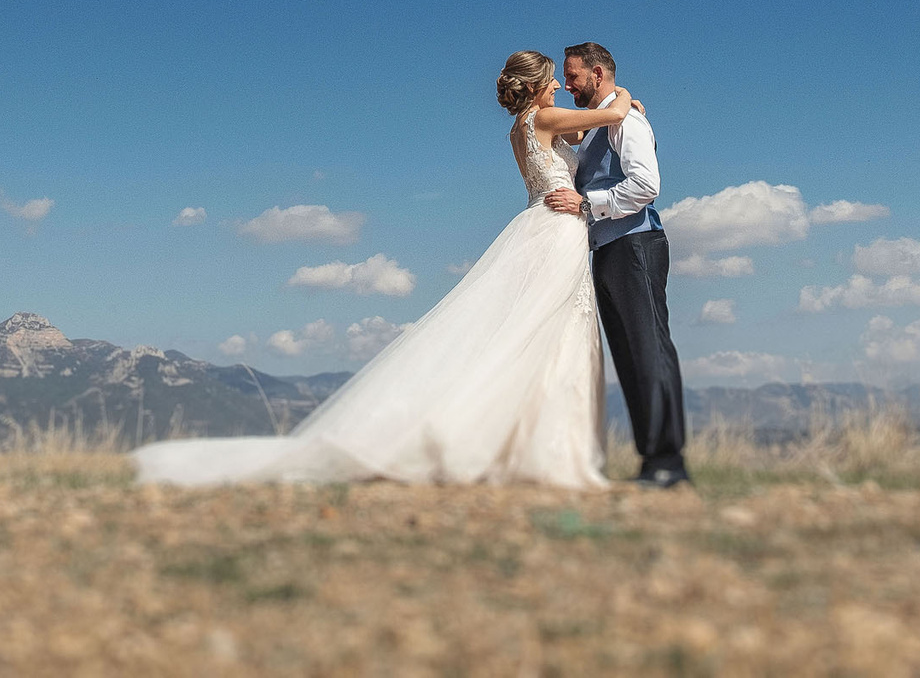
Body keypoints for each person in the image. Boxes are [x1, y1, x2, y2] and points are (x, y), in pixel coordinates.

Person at [129, 52, 632, 487]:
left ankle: (525, 443)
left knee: (528, 329)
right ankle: (538, 447)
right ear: (541, 84)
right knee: (547, 328)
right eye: (553, 80)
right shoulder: (543, 119)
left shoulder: (515, 131)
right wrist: (624, 94)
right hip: (555, 227)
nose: (559, 87)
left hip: (540, 223)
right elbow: (612, 111)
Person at [545, 41, 688, 488]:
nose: (568, 85)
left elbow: (646, 185)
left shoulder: (628, 121)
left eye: (573, 76)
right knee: (628, 353)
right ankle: (653, 462)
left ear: (598, 73)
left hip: (637, 245)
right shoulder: (598, 123)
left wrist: (588, 202)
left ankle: (668, 462)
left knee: (649, 348)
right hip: (607, 251)